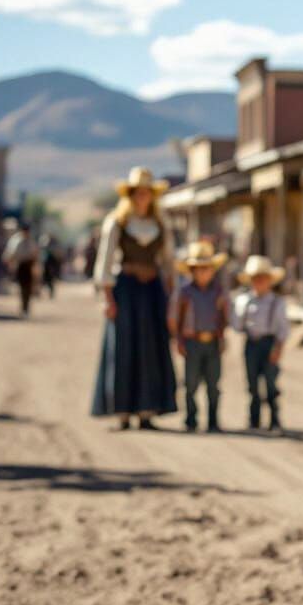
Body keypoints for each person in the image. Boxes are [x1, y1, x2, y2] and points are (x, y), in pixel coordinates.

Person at [90, 166, 177, 430]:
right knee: (124, 348)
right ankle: (123, 411)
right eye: (138, 193)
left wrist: (172, 297)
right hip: (126, 290)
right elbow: (105, 263)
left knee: (150, 348)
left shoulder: (161, 224)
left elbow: (169, 263)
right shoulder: (118, 222)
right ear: (130, 195)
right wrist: (107, 298)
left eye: (146, 193)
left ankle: (147, 411)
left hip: (151, 291)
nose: (142, 197)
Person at [172, 240, 229, 433]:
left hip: (212, 341)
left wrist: (222, 337)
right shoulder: (185, 292)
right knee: (190, 384)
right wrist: (178, 340)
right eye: (199, 269)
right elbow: (175, 319)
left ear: (213, 270)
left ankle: (213, 420)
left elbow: (223, 317)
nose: (203, 273)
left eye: (207, 269)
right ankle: (191, 419)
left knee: (214, 384)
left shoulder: (218, 291)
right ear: (192, 271)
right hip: (192, 342)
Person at [231, 255, 290, 432]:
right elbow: (237, 326)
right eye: (256, 279)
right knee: (252, 384)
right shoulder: (244, 301)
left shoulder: (277, 302)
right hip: (251, 343)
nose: (259, 282)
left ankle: (274, 419)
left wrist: (278, 348)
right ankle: (253, 419)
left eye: (263, 278)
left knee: (271, 383)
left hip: (269, 343)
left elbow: (283, 328)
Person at [3, 223, 37, 316]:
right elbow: (10, 254)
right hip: (20, 266)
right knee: (22, 287)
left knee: (29, 288)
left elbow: (35, 254)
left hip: (29, 266)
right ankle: (23, 307)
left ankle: (26, 307)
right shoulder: (16, 240)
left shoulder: (31, 241)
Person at [39, 234, 63, 299]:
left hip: (51, 266)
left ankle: (51, 293)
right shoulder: (45, 246)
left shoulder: (54, 247)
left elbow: (58, 256)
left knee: (50, 280)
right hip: (45, 265)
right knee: (43, 280)